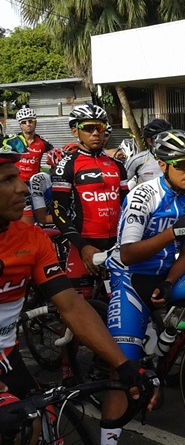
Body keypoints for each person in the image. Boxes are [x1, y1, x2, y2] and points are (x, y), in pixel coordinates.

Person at [0, 135, 155, 442]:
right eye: (7, 180)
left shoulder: (31, 239)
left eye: (18, 177)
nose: (22, 188)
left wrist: (124, 366)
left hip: (8, 356)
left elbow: (71, 306)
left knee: (43, 423)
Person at [99, 130, 185, 444]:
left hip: (165, 273)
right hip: (130, 278)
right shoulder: (143, 195)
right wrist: (173, 233)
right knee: (122, 373)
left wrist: (169, 282)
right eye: (182, 164)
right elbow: (127, 253)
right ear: (162, 165)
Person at [51, 104, 128, 285]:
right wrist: (82, 245)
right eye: (88, 128)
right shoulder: (67, 165)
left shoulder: (117, 165)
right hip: (84, 244)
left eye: (100, 127)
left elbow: (127, 205)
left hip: (117, 244)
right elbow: (58, 211)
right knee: (79, 299)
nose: (95, 133)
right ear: (75, 131)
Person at [14, 106, 54, 225]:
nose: (28, 124)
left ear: (35, 122)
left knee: (38, 214)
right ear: (20, 125)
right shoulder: (13, 141)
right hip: (17, 183)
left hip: (34, 184)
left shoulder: (43, 142)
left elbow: (56, 157)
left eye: (30, 121)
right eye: (24, 122)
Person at [125, 119, 173, 188]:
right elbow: (122, 183)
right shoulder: (137, 160)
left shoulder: (178, 158)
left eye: (168, 138)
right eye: (160, 139)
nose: (165, 142)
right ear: (149, 141)